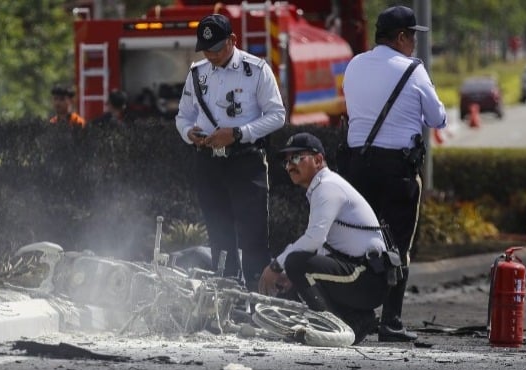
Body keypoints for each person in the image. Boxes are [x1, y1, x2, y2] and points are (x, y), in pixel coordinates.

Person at [342, 5, 447, 342]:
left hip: (356, 166)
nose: (414, 44)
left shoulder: (355, 64)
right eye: (412, 36)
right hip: (396, 170)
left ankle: (355, 317)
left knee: (358, 241)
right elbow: (437, 118)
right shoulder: (413, 70)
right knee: (397, 245)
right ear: (400, 37)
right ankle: (391, 322)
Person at [175, 14, 286, 291]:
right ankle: (226, 294)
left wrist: (238, 133)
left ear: (232, 41)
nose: (210, 55)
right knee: (219, 232)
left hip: (245, 161)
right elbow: (183, 116)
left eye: (216, 49)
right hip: (209, 162)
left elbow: (277, 116)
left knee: (253, 236)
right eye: (206, 49)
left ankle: (257, 296)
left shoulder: (256, 70)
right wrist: (189, 133)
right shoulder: (197, 73)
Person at [258, 133, 393, 345]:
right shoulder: (322, 187)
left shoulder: (327, 187)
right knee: (297, 269)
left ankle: (335, 329)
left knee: (295, 262)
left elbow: (313, 240)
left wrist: (276, 266)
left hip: (368, 277)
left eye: (296, 158)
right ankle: (357, 320)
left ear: (318, 160)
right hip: (364, 275)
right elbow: (322, 247)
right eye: (286, 161)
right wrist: (292, 276)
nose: (289, 166)